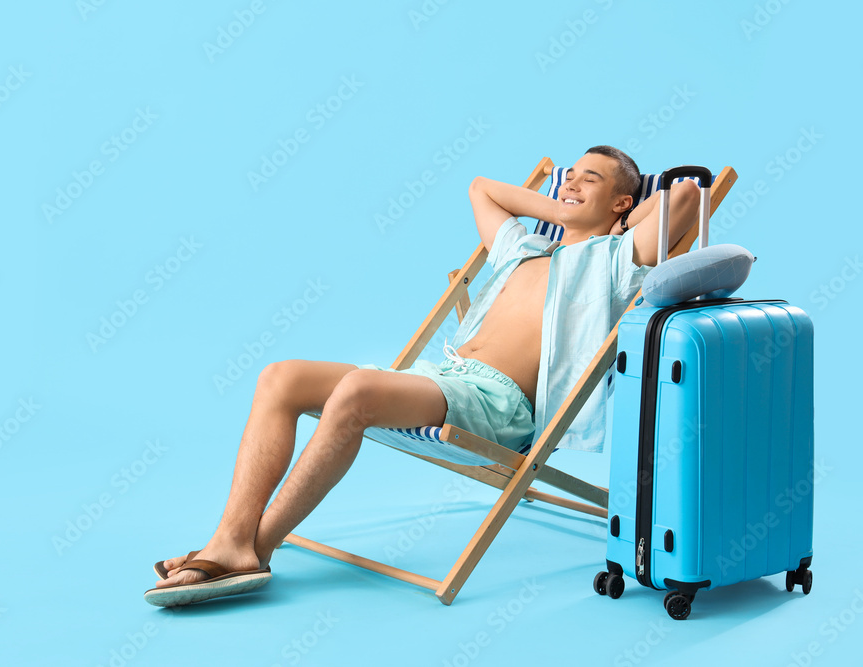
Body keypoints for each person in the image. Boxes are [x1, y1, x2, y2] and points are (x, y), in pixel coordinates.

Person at [144, 145, 701, 607]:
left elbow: (687, 198)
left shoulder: (617, 258)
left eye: (591, 179)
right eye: (569, 176)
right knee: (280, 376)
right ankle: (231, 539)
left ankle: (249, 550)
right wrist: (562, 212)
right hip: (443, 379)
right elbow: (482, 186)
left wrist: (613, 220)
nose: (572, 183)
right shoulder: (522, 247)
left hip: (498, 405)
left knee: (358, 392)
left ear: (624, 202)